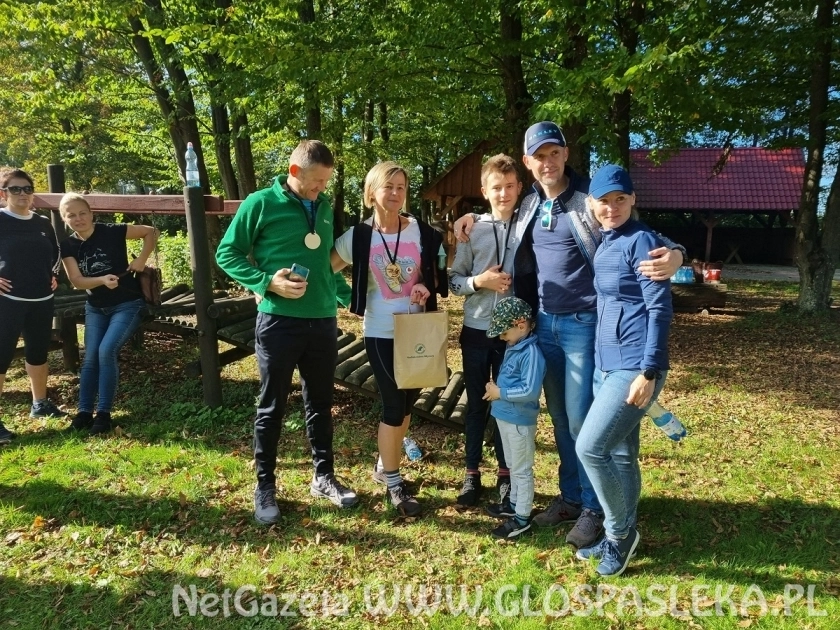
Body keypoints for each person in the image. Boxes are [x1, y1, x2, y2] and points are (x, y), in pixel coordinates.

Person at [455, 121, 684, 548]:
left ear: (565, 154)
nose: (548, 163)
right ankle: (571, 497)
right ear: (528, 162)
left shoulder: (587, 198)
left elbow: (635, 231)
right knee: (560, 419)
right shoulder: (527, 202)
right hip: (545, 325)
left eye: (555, 153)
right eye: (539, 156)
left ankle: (595, 510)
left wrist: (675, 252)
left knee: (582, 421)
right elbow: (498, 218)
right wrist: (468, 217)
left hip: (584, 325)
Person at [216, 140, 358, 525]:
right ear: (295, 172)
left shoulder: (323, 207)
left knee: (320, 403)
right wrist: (266, 282)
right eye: (316, 182)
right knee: (272, 405)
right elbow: (226, 253)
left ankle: (323, 477)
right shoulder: (260, 203)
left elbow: (324, 263)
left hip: (323, 321)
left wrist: (351, 298)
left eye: (326, 182)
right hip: (279, 321)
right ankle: (265, 486)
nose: (321, 190)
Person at [331, 161, 447, 517]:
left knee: (408, 403)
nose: (396, 193)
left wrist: (426, 285)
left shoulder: (421, 233)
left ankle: (385, 466)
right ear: (371, 193)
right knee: (394, 406)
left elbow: (436, 275)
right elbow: (325, 269)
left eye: (401, 187)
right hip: (381, 331)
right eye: (388, 186)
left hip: (417, 330)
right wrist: (347, 298)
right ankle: (394, 483)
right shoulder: (358, 237)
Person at [574, 164, 671, 576]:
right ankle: (623, 531)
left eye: (620, 199)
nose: (611, 207)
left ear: (633, 199)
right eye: (604, 200)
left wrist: (649, 372)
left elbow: (659, 308)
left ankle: (618, 534)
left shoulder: (642, 240)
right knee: (622, 455)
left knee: (589, 448)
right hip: (606, 365)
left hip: (634, 367)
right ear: (592, 204)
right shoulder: (607, 241)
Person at [447, 154, 522, 510]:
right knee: (477, 404)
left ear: (519, 188)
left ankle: (506, 476)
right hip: (476, 331)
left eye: (509, 186)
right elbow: (453, 281)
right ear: (484, 191)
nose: (503, 194)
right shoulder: (471, 230)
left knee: (506, 405)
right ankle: (471, 473)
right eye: (496, 187)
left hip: (514, 336)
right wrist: (479, 281)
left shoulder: (529, 226)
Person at [59, 193, 158, 435]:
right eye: (71, 215)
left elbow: (151, 231)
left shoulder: (111, 230)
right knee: (90, 357)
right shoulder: (68, 245)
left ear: (91, 213)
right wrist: (102, 280)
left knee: (106, 351)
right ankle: (84, 413)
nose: (78, 218)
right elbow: (76, 281)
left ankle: (103, 414)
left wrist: (141, 259)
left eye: (82, 213)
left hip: (128, 303)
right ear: (64, 219)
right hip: (96, 307)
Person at [0, 168, 64, 442]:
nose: (22, 193)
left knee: (38, 353)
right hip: (7, 301)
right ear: (3, 193)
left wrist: (54, 275)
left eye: (27, 188)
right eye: (15, 189)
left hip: (41, 299)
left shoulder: (42, 222)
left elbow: (56, 252)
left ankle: (40, 404)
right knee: (1, 357)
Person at [482, 297, 545, 539]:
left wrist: (500, 393)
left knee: (521, 470)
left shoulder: (531, 353)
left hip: (519, 421)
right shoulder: (515, 345)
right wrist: (495, 389)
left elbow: (530, 390)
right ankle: (514, 504)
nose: (502, 338)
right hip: (505, 417)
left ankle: (522, 518)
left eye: (504, 332)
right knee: (512, 465)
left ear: (521, 325)